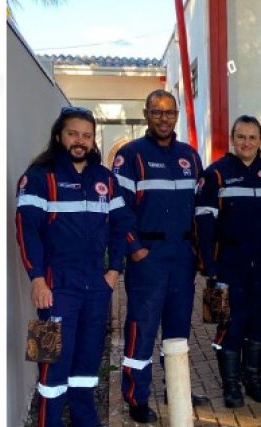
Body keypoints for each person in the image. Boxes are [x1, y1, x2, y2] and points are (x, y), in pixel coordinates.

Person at [15, 106, 134, 427]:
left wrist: (113, 272)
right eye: (73, 133)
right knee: (50, 365)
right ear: (58, 136)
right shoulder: (38, 177)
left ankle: (85, 420)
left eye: (86, 134)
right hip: (54, 288)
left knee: (87, 362)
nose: (80, 141)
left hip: (95, 287)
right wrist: (37, 280)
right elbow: (26, 232)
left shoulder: (104, 178)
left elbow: (121, 224)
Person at [112, 89, 207, 423]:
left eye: (169, 112)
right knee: (143, 326)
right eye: (157, 112)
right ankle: (136, 396)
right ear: (146, 113)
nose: (164, 118)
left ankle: (176, 386)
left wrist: (200, 250)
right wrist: (133, 247)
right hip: (147, 256)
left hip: (182, 255)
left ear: (176, 114)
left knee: (179, 326)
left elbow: (201, 208)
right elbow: (117, 207)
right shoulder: (130, 155)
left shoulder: (190, 156)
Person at [195, 115, 261, 408]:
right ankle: (231, 385)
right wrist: (208, 265)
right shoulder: (215, 174)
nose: (247, 142)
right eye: (241, 136)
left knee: (260, 322)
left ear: (260, 141)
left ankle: (253, 380)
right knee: (229, 324)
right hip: (228, 265)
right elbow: (204, 224)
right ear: (233, 139)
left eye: (252, 137)